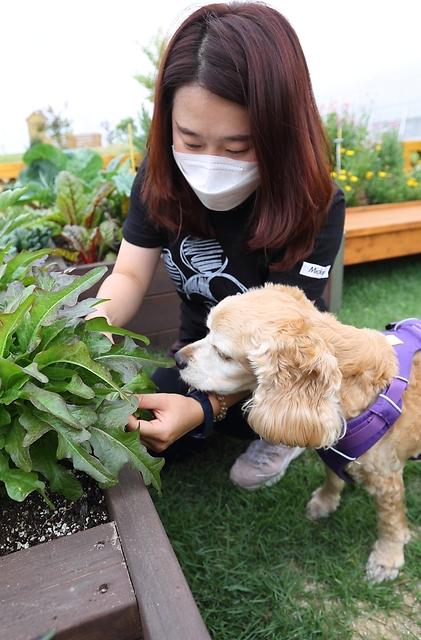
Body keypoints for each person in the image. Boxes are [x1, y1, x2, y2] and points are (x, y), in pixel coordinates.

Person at [88, 2, 346, 490]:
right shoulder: (157, 180)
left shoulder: (316, 203)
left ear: (280, 136)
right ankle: (212, 417)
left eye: (237, 148)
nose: (211, 164)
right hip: (198, 353)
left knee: (284, 403)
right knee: (133, 427)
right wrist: (93, 325)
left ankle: (280, 430)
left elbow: (292, 339)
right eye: (189, 139)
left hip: (272, 369)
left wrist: (208, 406)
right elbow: (128, 275)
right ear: (168, 123)